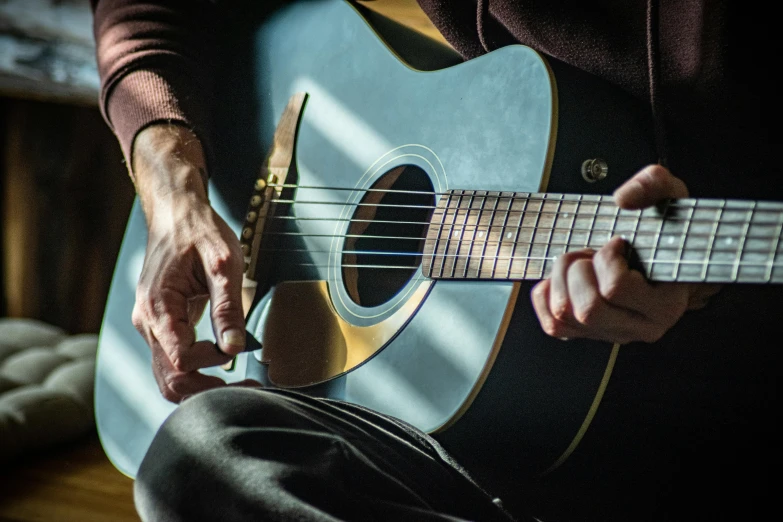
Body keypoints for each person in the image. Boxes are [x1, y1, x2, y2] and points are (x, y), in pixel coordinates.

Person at [90, 0, 781, 520]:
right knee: (198, 455)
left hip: (700, 435)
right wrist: (172, 185)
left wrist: (705, 292)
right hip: (470, 439)